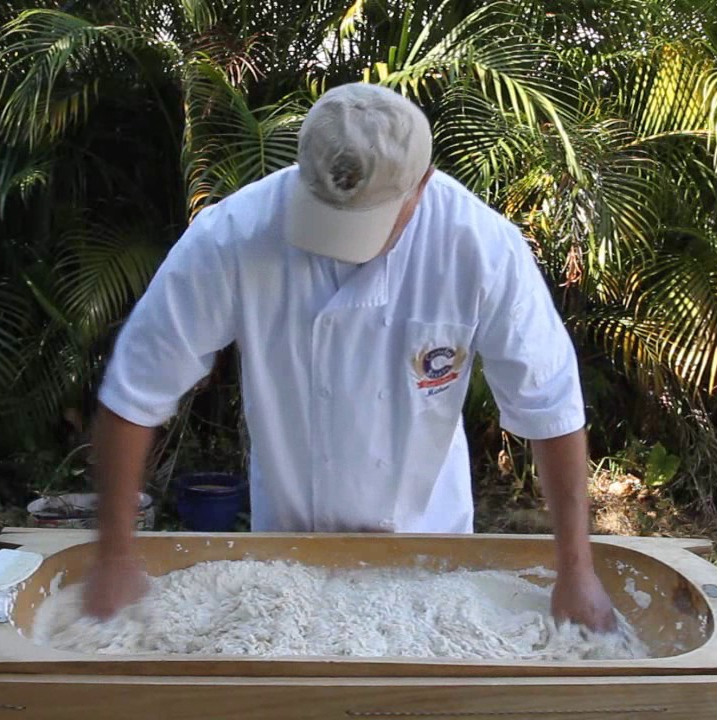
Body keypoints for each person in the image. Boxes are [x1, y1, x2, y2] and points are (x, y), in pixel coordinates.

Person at [82, 82, 618, 631]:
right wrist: (116, 555)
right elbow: (135, 388)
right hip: (285, 562)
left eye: (368, 221)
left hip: (432, 553)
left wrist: (576, 570)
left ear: (422, 185)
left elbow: (549, 404)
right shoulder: (234, 236)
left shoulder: (478, 245)